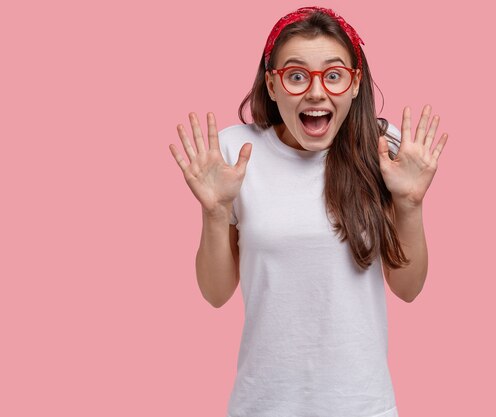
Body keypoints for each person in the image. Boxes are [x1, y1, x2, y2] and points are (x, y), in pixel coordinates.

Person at [169, 6, 448, 417]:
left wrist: (409, 204)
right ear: (272, 85)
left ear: (354, 85)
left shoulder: (385, 151)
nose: (316, 93)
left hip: (361, 405)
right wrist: (214, 212)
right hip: (262, 405)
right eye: (297, 76)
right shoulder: (235, 154)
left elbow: (408, 289)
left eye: (333, 75)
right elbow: (215, 294)